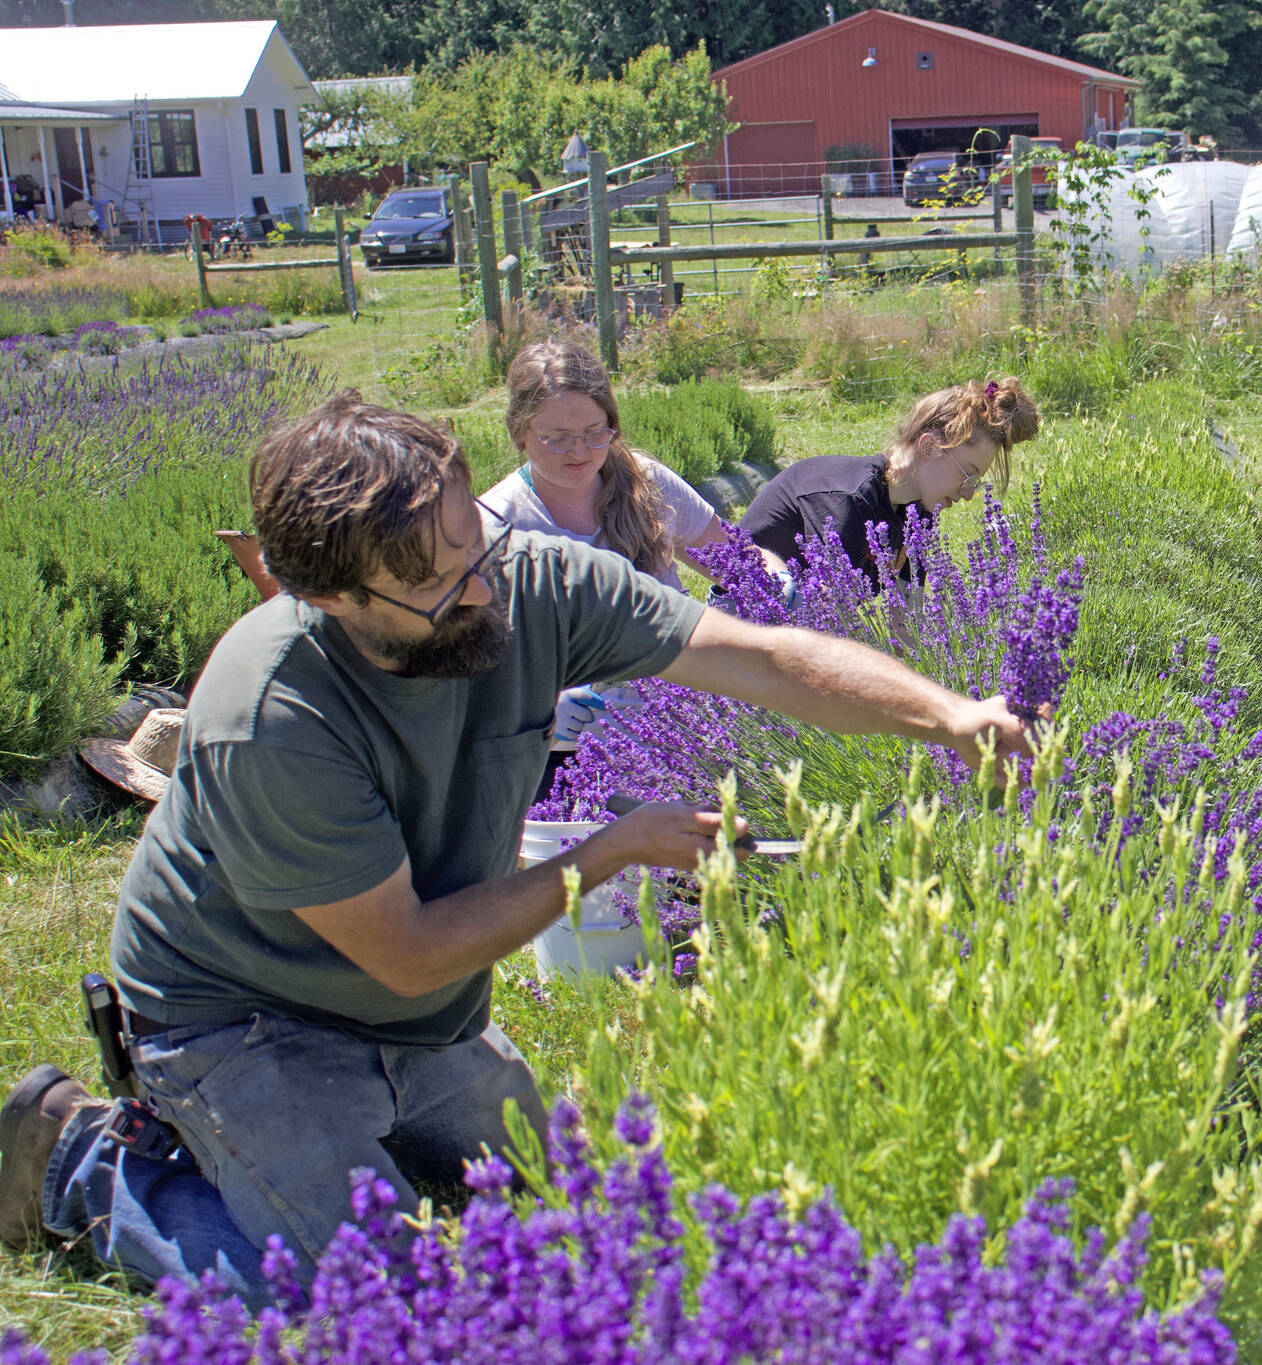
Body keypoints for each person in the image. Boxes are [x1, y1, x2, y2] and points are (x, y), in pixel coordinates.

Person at [0, 393, 1030, 1303]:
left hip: (419, 1017)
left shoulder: (518, 580)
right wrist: (610, 851)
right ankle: (87, 1162)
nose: (486, 593)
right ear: (327, 599)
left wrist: (946, 715)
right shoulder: (275, 714)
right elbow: (403, 949)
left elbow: (763, 657)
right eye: (438, 585)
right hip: (246, 1016)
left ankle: (346, 1134)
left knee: (562, 1203)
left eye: (475, 550)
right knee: (371, 1299)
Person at [479, 339, 730, 788]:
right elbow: (466, 672)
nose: (580, 451)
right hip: (567, 759)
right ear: (520, 433)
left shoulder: (645, 482)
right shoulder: (495, 524)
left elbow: (736, 558)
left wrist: (773, 581)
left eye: (596, 431)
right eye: (556, 438)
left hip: (683, 723)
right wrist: (541, 707)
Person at [738, 377, 1039, 593]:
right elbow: (826, 626)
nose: (970, 493)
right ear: (930, 447)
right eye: (968, 474)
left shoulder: (917, 512)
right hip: (742, 628)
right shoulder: (849, 502)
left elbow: (909, 615)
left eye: (977, 483)